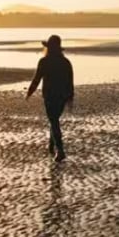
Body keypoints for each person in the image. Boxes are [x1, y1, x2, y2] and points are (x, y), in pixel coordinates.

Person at [25, 34, 74, 162]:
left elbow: (37, 79)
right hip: (62, 96)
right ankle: (51, 146)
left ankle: (60, 150)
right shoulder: (65, 62)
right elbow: (70, 81)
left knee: (53, 121)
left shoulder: (44, 62)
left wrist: (30, 92)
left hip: (50, 96)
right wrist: (70, 97)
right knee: (54, 120)